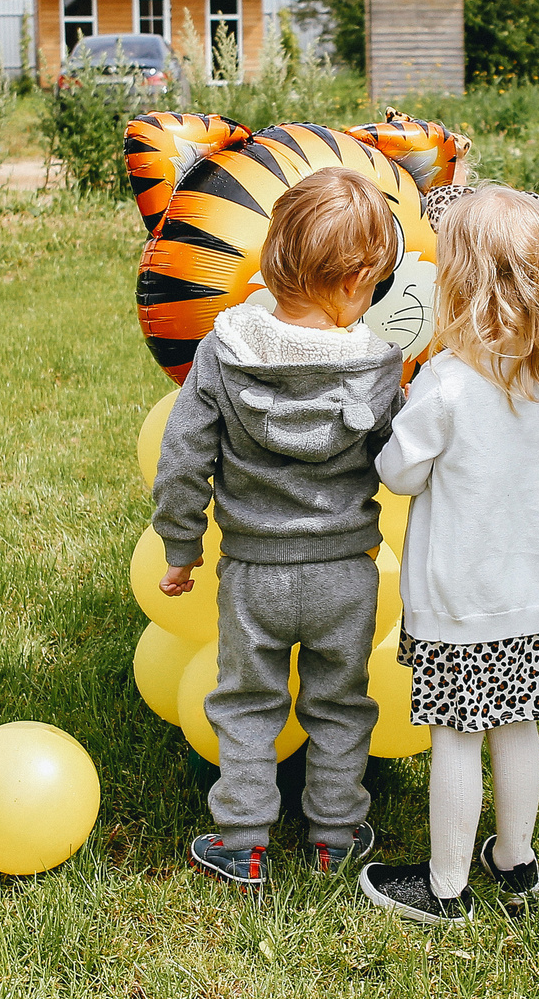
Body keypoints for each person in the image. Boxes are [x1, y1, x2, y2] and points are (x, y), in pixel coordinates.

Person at [153, 166, 406, 891]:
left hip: (252, 574)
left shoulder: (222, 351)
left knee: (246, 701)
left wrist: (180, 545)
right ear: (360, 277)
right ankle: (333, 831)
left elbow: (181, 461)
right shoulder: (378, 367)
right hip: (345, 573)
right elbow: (400, 462)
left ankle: (242, 839)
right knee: (340, 700)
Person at [358, 187, 539, 925]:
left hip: (461, 597)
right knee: (518, 723)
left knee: (458, 734)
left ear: (455, 282)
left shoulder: (447, 384)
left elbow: (398, 472)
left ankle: (444, 885)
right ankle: (516, 860)